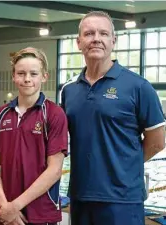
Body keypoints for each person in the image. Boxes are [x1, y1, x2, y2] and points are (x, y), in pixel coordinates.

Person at [61, 11, 166, 225]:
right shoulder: (69, 91)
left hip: (123, 200)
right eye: (89, 33)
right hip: (81, 196)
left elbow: (157, 142)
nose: (96, 39)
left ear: (113, 40)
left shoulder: (138, 87)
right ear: (79, 42)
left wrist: (123, 167)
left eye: (103, 33)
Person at [0, 47, 68, 225]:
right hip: (5, 211)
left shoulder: (54, 114)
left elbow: (54, 171)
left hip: (40, 212)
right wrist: (4, 205)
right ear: (13, 76)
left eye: (33, 74)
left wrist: (15, 206)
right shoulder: (1, 114)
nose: (27, 79)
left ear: (44, 77)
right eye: (21, 73)